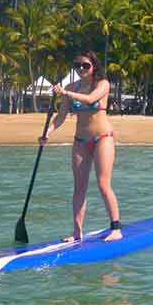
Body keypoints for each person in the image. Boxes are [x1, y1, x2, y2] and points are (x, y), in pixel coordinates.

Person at [40, 51, 122, 242]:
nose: (81, 69)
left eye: (86, 65)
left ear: (94, 66)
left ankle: (116, 228)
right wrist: (47, 132)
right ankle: (77, 233)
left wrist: (65, 92)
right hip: (80, 141)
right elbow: (60, 117)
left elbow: (91, 99)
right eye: (78, 66)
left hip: (103, 137)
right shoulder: (71, 87)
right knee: (79, 187)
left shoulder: (102, 84)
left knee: (103, 184)